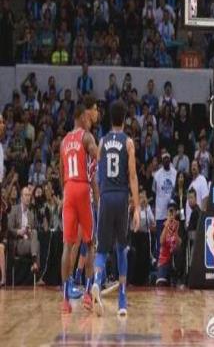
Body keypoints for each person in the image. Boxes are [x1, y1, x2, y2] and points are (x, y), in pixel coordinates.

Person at [92, 100, 140, 317]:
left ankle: (96, 281)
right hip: (121, 197)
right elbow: (133, 176)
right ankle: (122, 298)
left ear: (110, 119)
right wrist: (136, 207)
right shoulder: (128, 142)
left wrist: (99, 198)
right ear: (125, 119)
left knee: (102, 249)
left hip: (105, 195)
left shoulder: (102, 142)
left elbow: (97, 174)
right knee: (121, 247)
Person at [59, 102, 98, 313]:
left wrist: (66, 193)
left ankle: (65, 300)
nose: (90, 120)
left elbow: (61, 173)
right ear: (82, 116)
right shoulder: (86, 136)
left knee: (67, 245)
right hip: (83, 188)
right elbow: (97, 154)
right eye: (88, 117)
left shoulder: (64, 141)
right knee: (90, 243)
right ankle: (88, 295)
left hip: (68, 190)